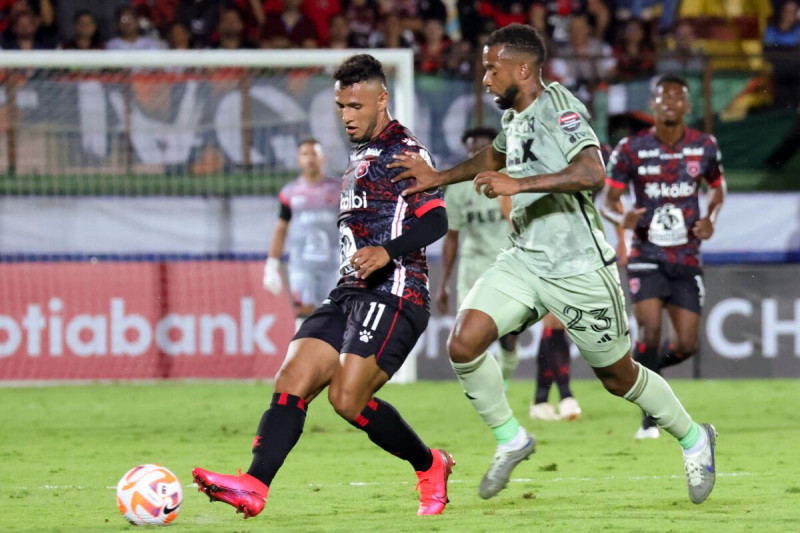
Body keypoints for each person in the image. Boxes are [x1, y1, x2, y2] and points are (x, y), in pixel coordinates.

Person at [389, 23, 717, 505]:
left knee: (617, 377)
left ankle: (694, 439)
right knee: (464, 343)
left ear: (522, 68)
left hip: (578, 266)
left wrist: (520, 186)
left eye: (491, 68)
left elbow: (592, 171)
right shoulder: (515, 118)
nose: (485, 79)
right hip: (524, 260)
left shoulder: (560, 107)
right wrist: (440, 176)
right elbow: (497, 154)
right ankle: (511, 438)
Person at [193, 54, 454, 518]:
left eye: (355, 105)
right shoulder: (360, 154)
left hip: (395, 292)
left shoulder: (405, 152)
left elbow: (436, 221)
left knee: (347, 400)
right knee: (292, 377)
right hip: (349, 290)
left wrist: (387, 251)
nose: (347, 116)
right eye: (340, 107)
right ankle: (253, 486)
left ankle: (430, 464)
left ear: (381, 98)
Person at [601, 74, 726, 440]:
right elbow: (609, 200)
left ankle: (648, 372)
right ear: (653, 104)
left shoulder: (704, 146)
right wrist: (620, 218)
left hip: (687, 256)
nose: (670, 101)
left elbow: (719, 187)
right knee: (650, 331)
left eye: (678, 96)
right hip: (646, 253)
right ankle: (649, 415)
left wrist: (711, 219)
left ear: (688, 106)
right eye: (663, 96)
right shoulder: (632, 148)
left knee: (686, 345)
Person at [438, 126, 581, 421]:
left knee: (509, 338)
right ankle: (496, 396)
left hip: (511, 265)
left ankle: (506, 384)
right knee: (471, 337)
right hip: (473, 267)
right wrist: (443, 283)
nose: (474, 153)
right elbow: (451, 236)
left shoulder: (514, 180)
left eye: (481, 148)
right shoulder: (457, 190)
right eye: (470, 148)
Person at [262, 139, 340, 326]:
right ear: (299, 160)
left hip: (333, 266)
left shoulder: (338, 190)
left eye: (314, 153)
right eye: (305, 154)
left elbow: (352, 225)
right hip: (302, 266)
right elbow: (281, 228)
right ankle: (304, 354)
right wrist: (271, 264)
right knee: (304, 316)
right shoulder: (290, 192)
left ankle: (333, 355)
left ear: (323, 158)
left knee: (334, 318)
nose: (310, 159)